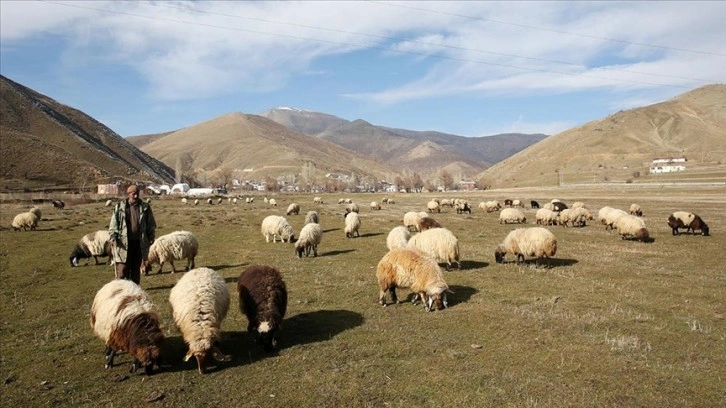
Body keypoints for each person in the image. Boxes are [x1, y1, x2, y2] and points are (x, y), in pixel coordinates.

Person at [109, 184, 156, 285]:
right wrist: (113, 235)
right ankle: (120, 290)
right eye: (134, 194)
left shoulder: (145, 208)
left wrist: (151, 235)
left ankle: (135, 289)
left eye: (137, 194)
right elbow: (114, 223)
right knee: (122, 269)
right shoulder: (120, 207)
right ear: (129, 194)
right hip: (123, 244)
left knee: (135, 269)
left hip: (139, 243)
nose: (136, 196)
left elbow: (151, 223)